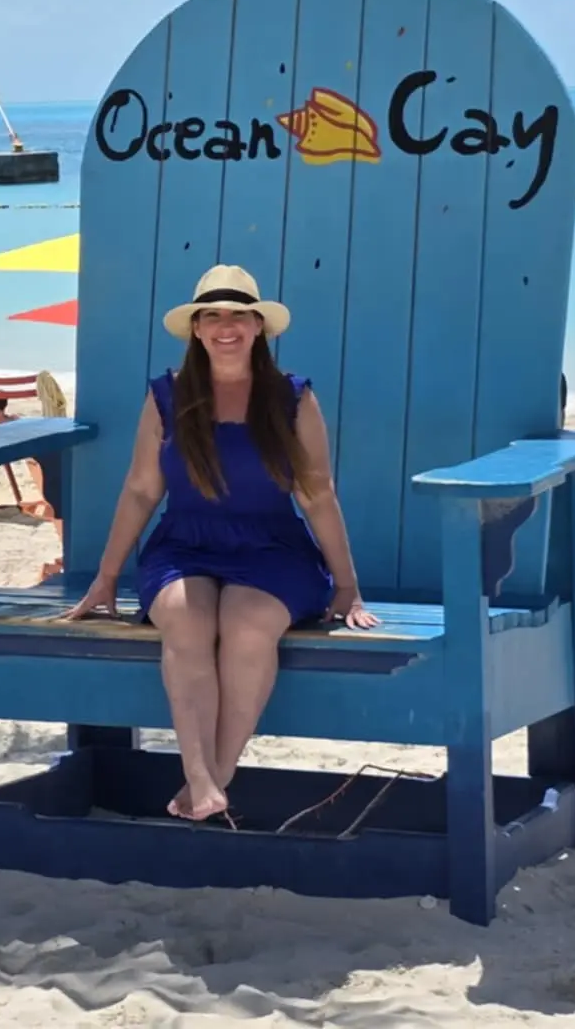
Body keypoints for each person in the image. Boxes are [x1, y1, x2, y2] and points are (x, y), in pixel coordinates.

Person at [62, 265, 378, 823]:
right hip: (185, 544)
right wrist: (107, 577)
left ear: (259, 328)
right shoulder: (168, 397)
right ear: (197, 329)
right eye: (213, 316)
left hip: (273, 548)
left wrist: (348, 587)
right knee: (185, 617)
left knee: (247, 622)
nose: (225, 326)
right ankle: (200, 777)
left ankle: (216, 777)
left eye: (238, 316)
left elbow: (318, 495)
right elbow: (140, 491)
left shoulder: (292, 398)